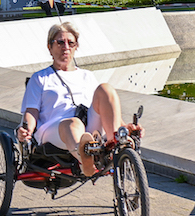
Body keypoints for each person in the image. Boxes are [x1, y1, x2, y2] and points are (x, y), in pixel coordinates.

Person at [16, 22, 142, 177]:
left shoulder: (87, 76)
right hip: (54, 129)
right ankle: (84, 157)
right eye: (60, 42)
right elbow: (31, 111)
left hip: (87, 129)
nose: (66, 47)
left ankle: (114, 142)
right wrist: (26, 130)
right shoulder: (40, 78)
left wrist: (125, 127)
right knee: (73, 123)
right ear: (50, 47)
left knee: (105, 89)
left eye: (71, 43)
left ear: (76, 47)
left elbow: (105, 107)